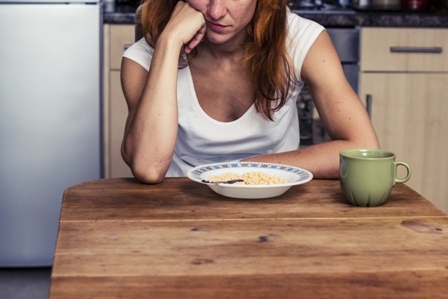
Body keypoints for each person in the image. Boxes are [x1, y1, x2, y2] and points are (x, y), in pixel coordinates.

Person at [120, 0, 379, 184]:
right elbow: (148, 169)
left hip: (273, 197)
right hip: (178, 202)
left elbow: (363, 148)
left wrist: (247, 170)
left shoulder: (300, 39)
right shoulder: (142, 59)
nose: (216, 11)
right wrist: (169, 42)